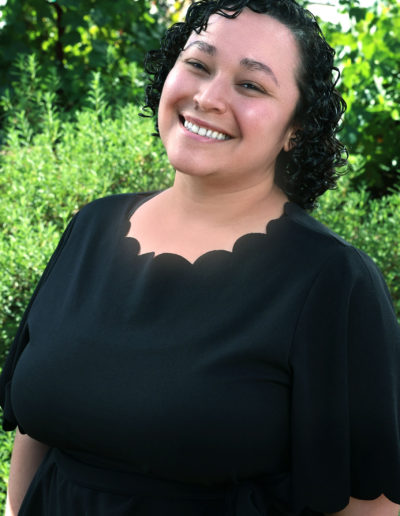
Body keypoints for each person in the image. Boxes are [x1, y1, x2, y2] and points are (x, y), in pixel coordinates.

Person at [1, 0, 400, 514]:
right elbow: (36, 432)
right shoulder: (90, 227)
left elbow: (371, 505)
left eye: (251, 85)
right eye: (197, 64)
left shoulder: (333, 280)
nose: (208, 98)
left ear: (296, 129)